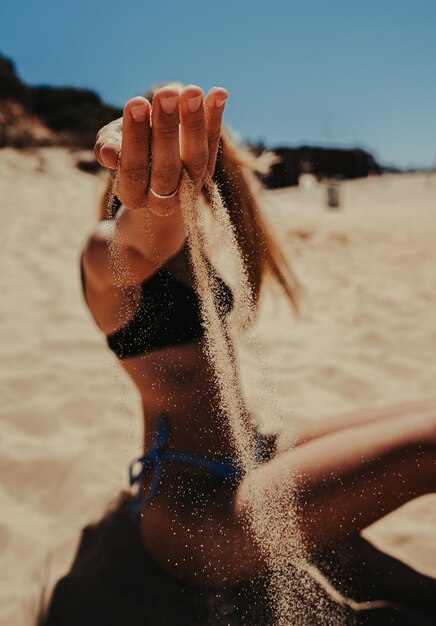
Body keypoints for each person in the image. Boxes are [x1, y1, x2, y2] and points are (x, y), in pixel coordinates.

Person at [41, 83, 436, 625]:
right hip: (197, 509)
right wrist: (156, 197)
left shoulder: (194, 247)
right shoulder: (104, 251)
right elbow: (143, 239)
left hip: (253, 451)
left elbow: (169, 229)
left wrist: (178, 191)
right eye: (158, 145)